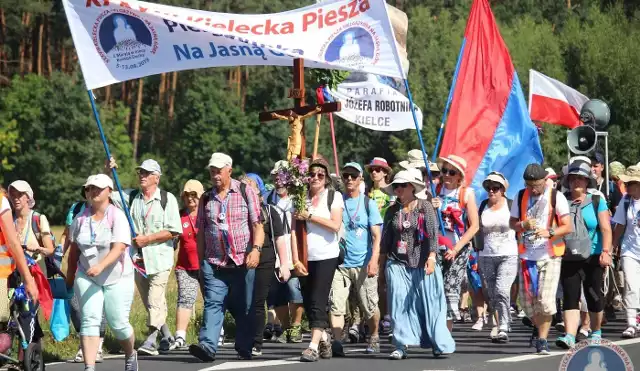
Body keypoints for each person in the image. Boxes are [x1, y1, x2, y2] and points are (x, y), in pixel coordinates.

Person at [189, 153, 264, 362]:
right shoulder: (206, 198)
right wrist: (201, 262)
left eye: (218, 171)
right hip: (215, 264)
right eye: (212, 171)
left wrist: (256, 249)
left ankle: (244, 346)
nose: (215, 176)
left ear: (229, 170)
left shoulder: (244, 191)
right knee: (213, 303)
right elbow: (202, 233)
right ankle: (208, 346)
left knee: (244, 307)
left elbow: (258, 224)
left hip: (242, 262)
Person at [106, 158, 182, 355]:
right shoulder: (131, 197)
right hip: (138, 261)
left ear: (156, 178)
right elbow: (107, 194)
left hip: (160, 259)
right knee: (151, 302)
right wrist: (110, 171)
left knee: (155, 298)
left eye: (147, 173)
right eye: (140, 172)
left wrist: (147, 239)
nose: (142, 176)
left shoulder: (168, 199)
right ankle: (167, 336)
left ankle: (150, 340)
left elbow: (174, 231)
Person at [65, 174, 137, 371]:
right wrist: (70, 277)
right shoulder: (79, 219)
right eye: (89, 188)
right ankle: (89, 367)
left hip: (117, 276)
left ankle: (130, 353)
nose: (93, 192)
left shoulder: (117, 216)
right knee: (89, 319)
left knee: (118, 324)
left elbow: (119, 248)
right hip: (87, 276)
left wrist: (100, 266)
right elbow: (74, 252)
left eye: (98, 188)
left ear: (109, 192)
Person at [380, 170, 454, 359]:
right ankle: (400, 344)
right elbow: (385, 242)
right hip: (397, 263)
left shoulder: (425, 207)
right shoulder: (391, 211)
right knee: (398, 303)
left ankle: (437, 342)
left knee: (430, 305)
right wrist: (379, 266)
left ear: (412, 187)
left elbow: (433, 235)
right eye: (395, 186)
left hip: (423, 262)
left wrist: (431, 257)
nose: (398, 189)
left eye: (402, 185)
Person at [509, 164, 572, 355]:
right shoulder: (520, 196)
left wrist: (549, 232)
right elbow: (512, 223)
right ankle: (539, 325)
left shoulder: (556, 196)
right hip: (526, 257)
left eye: (535, 185)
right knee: (528, 304)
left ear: (545, 180)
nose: (532, 189)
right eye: (529, 185)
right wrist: (523, 224)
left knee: (545, 301)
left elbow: (568, 226)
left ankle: (542, 340)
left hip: (550, 255)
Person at [291, 156, 344, 362]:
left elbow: (335, 225)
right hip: (305, 256)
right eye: (311, 174)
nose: (315, 178)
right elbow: (294, 231)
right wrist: (295, 259)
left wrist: (310, 216)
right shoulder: (300, 197)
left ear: (326, 178)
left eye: (320, 175)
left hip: (326, 255)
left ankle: (312, 346)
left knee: (318, 300)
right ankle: (323, 337)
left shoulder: (334, 196)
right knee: (308, 300)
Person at [555, 161, 612, 349]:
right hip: (569, 255)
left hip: (593, 255)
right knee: (570, 296)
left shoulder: (596, 200)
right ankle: (570, 335)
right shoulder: (561, 200)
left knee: (594, 296)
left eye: (580, 178)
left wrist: (606, 252)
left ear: (587, 181)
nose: (576, 182)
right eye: (572, 178)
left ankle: (596, 331)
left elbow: (605, 228)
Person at [329, 162, 383, 355]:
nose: (349, 179)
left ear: (360, 178)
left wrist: (374, 259)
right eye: (346, 176)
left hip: (363, 263)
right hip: (340, 264)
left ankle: (374, 335)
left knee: (369, 307)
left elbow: (377, 236)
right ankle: (336, 342)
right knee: (336, 305)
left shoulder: (368, 203)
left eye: (353, 176)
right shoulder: (337, 202)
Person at [239, 174, 290, 357]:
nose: (245, 190)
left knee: (258, 302)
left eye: (250, 186)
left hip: (265, 260)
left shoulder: (269, 211)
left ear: (259, 189)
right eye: (242, 186)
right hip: (240, 261)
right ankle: (244, 339)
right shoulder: (237, 210)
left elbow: (279, 240)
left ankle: (256, 342)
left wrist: (284, 265)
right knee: (243, 302)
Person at [432, 154, 480, 330]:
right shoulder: (434, 190)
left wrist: (456, 249)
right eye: (444, 170)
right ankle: (436, 328)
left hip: (458, 248)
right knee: (435, 287)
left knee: (449, 287)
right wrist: (431, 206)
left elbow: (474, 226)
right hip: (437, 246)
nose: (446, 175)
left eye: (451, 172)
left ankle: (446, 331)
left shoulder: (466, 194)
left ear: (459, 176)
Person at [63, 188, 108, 363]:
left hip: (102, 265)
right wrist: (61, 254)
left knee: (98, 306)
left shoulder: (109, 210)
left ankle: (97, 345)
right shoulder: (76, 209)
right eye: (88, 190)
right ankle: (87, 341)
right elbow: (68, 235)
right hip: (80, 264)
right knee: (75, 303)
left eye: (95, 190)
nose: (91, 194)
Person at [265, 161, 305, 344]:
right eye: (276, 177)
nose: (279, 181)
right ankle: (287, 328)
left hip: (294, 248)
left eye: (283, 177)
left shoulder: (298, 199)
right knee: (276, 293)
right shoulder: (267, 200)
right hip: (274, 250)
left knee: (294, 288)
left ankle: (296, 325)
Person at [476, 172, 518, 343]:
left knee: (502, 289)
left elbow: (519, 227)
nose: (491, 191)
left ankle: (504, 326)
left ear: (503, 190)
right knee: (492, 294)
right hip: (486, 254)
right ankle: (500, 322)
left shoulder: (511, 205)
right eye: (489, 188)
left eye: (496, 188)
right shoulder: (483, 206)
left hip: (508, 254)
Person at [167, 180, 205, 351]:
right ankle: (180, 336)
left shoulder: (208, 214)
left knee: (212, 300)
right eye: (187, 196)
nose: (190, 199)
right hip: (185, 267)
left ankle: (217, 332)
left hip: (207, 265)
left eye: (194, 195)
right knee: (185, 299)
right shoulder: (179, 216)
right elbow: (172, 241)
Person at [0, 186, 39, 326]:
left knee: (2, 316)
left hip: (2, 274)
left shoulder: (1, 202)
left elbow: (13, 244)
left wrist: (28, 279)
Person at [364, 157, 394, 337]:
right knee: (373, 281)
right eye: (372, 170)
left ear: (385, 173)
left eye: (378, 169)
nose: (374, 172)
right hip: (369, 239)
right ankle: (375, 317)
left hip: (386, 239)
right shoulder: (366, 192)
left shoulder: (391, 192)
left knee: (384, 280)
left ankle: (388, 317)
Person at [612, 166, 640, 338]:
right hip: (630, 249)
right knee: (630, 284)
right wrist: (613, 244)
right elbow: (620, 225)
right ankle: (631, 323)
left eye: (632, 183)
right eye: (627, 183)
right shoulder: (626, 201)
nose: (627, 186)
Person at [7, 180, 55, 275]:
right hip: (13, 276)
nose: (16, 198)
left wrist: (37, 249)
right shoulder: (8, 220)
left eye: (20, 194)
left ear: (28, 197)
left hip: (36, 275)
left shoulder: (38, 219)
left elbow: (50, 251)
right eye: (12, 195)